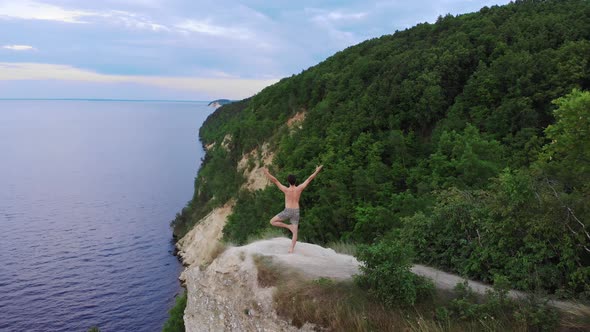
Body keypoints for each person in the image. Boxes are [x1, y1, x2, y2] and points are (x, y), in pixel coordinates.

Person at [262, 165, 323, 253]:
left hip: (287, 211)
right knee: (295, 232)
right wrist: (317, 171)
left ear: (288, 181)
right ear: (295, 181)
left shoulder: (286, 190)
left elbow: (275, 180)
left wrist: (266, 172)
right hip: (296, 211)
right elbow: (309, 179)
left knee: (272, 222)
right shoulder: (299, 188)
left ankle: (288, 226)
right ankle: (291, 248)